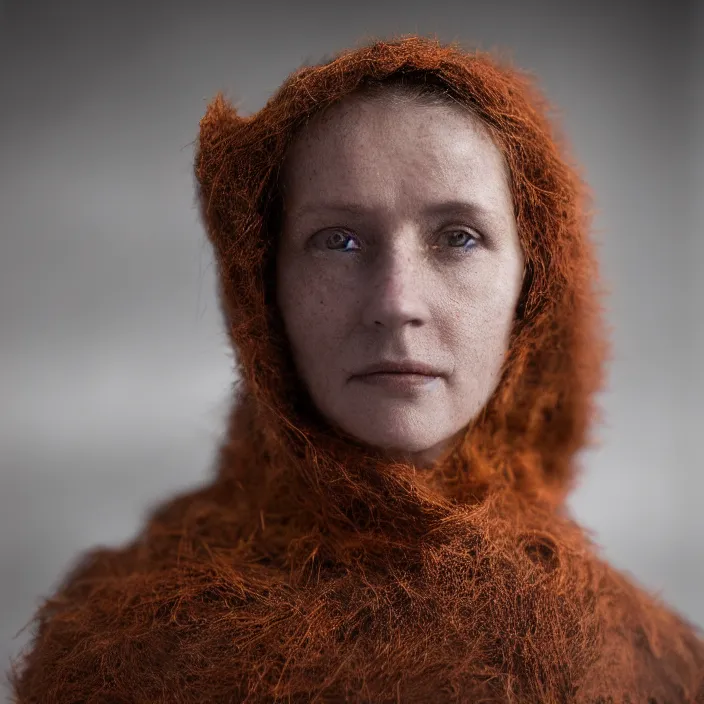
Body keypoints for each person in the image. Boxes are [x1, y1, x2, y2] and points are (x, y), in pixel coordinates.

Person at [7, 35, 704, 703]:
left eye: (458, 237)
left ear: (536, 284)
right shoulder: (117, 653)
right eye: (337, 240)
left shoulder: (652, 672)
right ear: (262, 288)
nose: (396, 302)